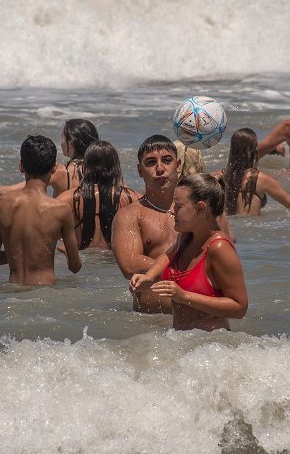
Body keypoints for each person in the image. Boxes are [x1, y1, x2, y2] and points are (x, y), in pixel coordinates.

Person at [130, 174, 248, 331]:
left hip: (212, 348)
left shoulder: (219, 249)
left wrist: (184, 296)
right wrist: (148, 277)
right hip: (183, 343)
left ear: (200, 208)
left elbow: (240, 307)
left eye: (178, 206)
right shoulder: (185, 237)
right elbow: (166, 256)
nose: (172, 211)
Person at [0, 135, 82, 285]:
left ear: (21, 166)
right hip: (45, 294)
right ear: (54, 168)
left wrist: (16, 253)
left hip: (12, 293)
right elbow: (75, 266)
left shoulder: (3, 203)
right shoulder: (61, 209)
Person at [111, 135, 181, 313]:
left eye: (167, 160)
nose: (160, 168)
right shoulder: (130, 215)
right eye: (150, 162)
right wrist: (183, 273)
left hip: (195, 323)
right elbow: (129, 265)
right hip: (151, 325)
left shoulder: (196, 209)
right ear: (140, 171)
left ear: (178, 165)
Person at [0, 119, 98, 208]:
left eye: (62, 137)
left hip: (67, 238)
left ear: (71, 142)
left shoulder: (62, 172)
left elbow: (15, 190)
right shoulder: (101, 168)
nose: (61, 141)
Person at [57, 140, 137, 251]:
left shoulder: (68, 198)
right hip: (114, 263)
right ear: (115, 166)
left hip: (83, 261)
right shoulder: (131, 198)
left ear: (86, 166)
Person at [214, 128, 290, 216]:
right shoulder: (260, 179)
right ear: (255, 150)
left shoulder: (219, 177)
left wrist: (272, 150)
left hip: (229, 227)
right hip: (250, 227)